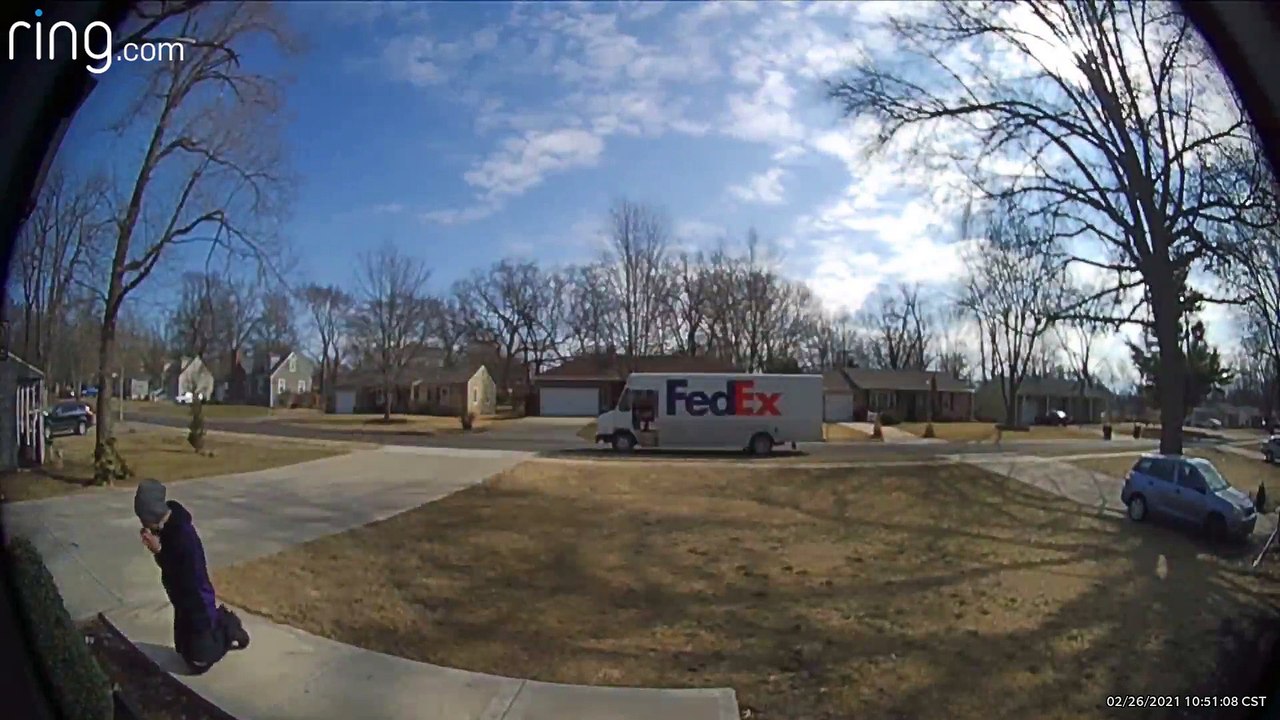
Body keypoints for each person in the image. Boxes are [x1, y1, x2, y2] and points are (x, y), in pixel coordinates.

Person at [134, 479, 250, 674]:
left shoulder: (182, 536)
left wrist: (159, 551)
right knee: (184, 654)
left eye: (142, 518)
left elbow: (185, 577)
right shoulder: (166, 527)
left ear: (150, 513)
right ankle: (213, 631)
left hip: (196, 601)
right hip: (181, 600)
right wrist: (159, 550)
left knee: (199, 663)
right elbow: (170, 569)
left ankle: (229, 628)